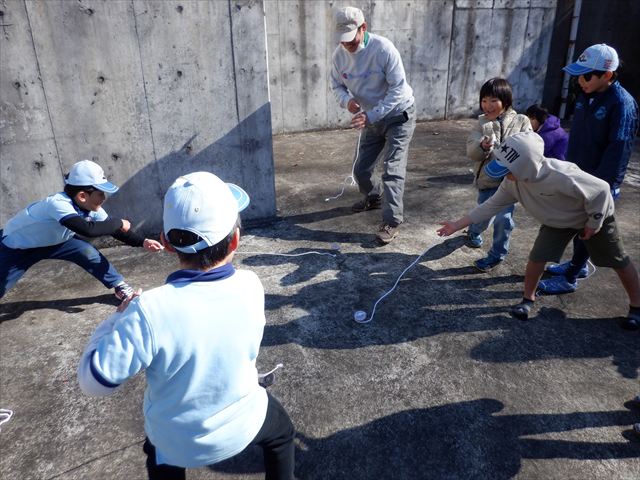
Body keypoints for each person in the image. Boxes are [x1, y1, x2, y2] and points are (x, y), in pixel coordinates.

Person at [77, 172, 295, 480]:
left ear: (166, 243)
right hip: (243, 423)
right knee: (282, 434)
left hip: (175, 442)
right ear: (235, 239)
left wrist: (117, 319)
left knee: (160, 453)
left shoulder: (149, 310)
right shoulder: (252, 284)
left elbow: (93, 382)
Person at [437, 132, 640, 327]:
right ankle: (527, 299)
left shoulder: (561, 174)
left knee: (618, 260)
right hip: (557, 222)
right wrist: (456, 225)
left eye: (508, 168)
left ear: (527, 167)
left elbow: (602, 190)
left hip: (593, 216)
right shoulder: (511, 183)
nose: (504, 173)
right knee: (537, 258)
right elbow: (489, 206)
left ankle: (636, 307)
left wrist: (594, 224)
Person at [538, 44, 639, 311]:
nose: (580, 81)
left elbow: (619, 150)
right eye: (578, 76)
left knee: (590, 232)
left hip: (599, 182)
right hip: (578, 174)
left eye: (586, 76)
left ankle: (571, 277)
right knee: (577, 224)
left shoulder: (622, 104)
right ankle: (577, 265)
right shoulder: (586, 94)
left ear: (607, 75)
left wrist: (606, 188)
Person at [0, 160, 162, 300]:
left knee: (87, 252)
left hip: (57, 242)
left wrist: (143, 242)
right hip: (18, 247)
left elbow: (114, 230)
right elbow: (87, 230)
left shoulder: (92, 208)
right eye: (100, 193)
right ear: (82, 196)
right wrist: (119, 222)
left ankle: (119, 286)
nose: (104, 198)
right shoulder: (57, 204)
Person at [330, 6, 416, 244]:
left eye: (350, 37)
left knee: (393, 170)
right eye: (341, 38)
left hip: (399, 115)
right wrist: (347, 101)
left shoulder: (383, 49)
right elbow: (336, 85)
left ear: (363, 28)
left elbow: (398, 89)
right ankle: (373, 197)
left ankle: (392, 221)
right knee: (361, 170)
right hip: (370, 117)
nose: (345, 43)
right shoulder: (339, 56)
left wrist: (372, 114)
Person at [464, 78, 532, 271]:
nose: (487, 105)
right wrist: (482, 146)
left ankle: (497, 254)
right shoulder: (481, 124)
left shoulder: (522, 121)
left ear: (506, 100)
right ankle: (474, 230)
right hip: (488, 180)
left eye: (493, 100)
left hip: (510, 184)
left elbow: (529, 146)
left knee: (504, 220)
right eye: (484, 100)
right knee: (483, 215)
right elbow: (472, 151)